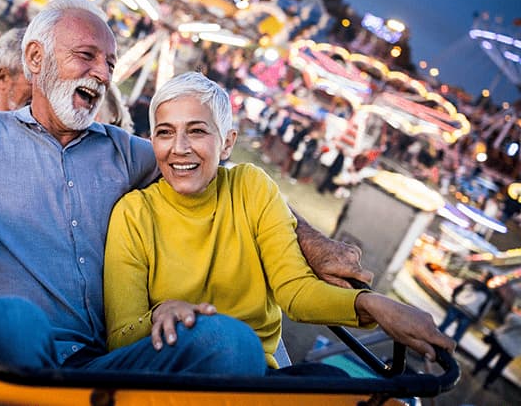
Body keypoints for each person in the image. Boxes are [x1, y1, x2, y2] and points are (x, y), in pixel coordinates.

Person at [0, 0, 373, 393]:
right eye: (87, 56)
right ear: (34, 60)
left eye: (109, 62)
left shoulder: (122, 149)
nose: (103, 73)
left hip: (104, 361)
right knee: (17, 321)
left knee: (231, 343)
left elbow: (220, 173)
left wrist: (315, 243)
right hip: (4, 349)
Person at [103, 72, 455, 373]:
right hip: (176, 375)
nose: (179, 148)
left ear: (227, 143)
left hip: (258, 375)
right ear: (152, 141)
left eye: (196, 131)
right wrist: (162, 314)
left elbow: (295, 291)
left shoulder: (251, 187)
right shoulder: (134, 214)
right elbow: (121, 337)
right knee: (231, 342)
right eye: (165, 133)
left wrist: (375, 304)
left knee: (333, 382)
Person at [438, 270, 496, 344]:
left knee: (444, 326)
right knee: (458, 334)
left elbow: (457, 289)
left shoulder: (471, 281)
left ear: (482, 276)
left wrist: (453, 300)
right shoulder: (488, 294)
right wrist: (478, 319)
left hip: (458, 306)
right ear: (489, 280)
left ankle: (432, 339)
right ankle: (448, 349)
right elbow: (484, 309)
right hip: (469, 313)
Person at [472, 307, 521, 389]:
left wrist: (516, 312)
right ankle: (487, 383)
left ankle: (475, 370)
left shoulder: (517, 319)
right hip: (513, 350)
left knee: (488, 357)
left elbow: (509, 318)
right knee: (500, 367)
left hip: (502, 341)